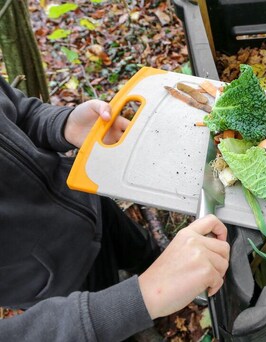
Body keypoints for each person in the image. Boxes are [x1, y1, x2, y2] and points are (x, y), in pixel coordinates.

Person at [0, 76, 230, 341]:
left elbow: (20, 113)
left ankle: (158, 270)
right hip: (59, 281)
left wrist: (64, 124)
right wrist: (137, 300)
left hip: (88, 203)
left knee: (142, 251)